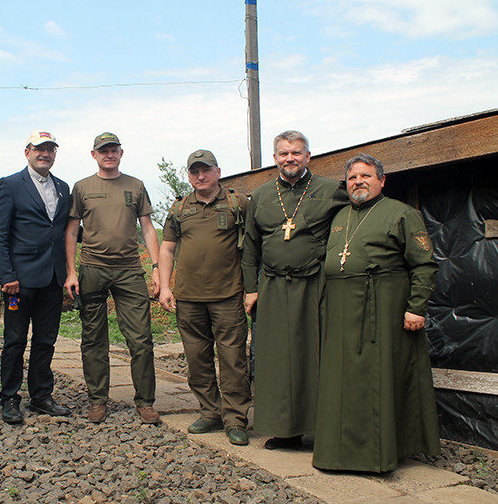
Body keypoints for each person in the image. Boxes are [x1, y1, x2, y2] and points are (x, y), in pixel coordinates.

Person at [313, 154, 440, 472]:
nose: (359, 181)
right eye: (353, 177)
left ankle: (378, 455)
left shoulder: (402, 214)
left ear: (382, 180)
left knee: (377, 381)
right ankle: (337, 452)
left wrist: (417, 307)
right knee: (340, 383)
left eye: (366, 176)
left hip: (383, 309)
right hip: (342, 310)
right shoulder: (340, 216)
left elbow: (423, 265)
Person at [242, 130, 348, 449]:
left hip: (315, 284)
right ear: (275, 158)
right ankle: (284, 430)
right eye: (284, 153)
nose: (290, 158)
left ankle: (323, 429)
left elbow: (354, 226)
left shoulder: (331, 191)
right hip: (272, 284)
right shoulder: (260, 196)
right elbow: (250, 247)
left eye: (297, 153)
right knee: (276, 359)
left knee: (313, 355)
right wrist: (251, 289)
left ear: (308, 157)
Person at [64, 132, 161, 424]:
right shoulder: (82, 188)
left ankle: (145, 401)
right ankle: (98, 401)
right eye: (103, 150)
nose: (109, 154)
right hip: (92, 269)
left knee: (141, 339)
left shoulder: (136, 186)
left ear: (121, 153)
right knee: (93, 339)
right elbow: (70, 231)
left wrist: (157, 268)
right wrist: (71, 271)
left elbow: (147, 229)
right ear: (94, 154)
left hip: (130, 270)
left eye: (113, 150)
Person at [158, 150, 251, 445]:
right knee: (197, 358)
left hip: (228, 295)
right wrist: (164, 286)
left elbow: (252, 248)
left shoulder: (238, 203)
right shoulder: (180, 208)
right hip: (188, 297)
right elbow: (167, 248)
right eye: (195, 171)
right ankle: (210, 412)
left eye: (206, 170)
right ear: (189, 176)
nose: (201, 176)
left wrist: (251, 289)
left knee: (233, 359)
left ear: (218, 171)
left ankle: (235, 418)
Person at [0, 131, 72, 424]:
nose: (45, 154)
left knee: (46, 340)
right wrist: (6, 274)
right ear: (27, 152)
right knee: (14, 340)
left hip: (52, 278)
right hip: (19, 280)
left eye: (50, 150)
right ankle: (10, 398)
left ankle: (41, 396)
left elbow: (64, 232)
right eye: (39, 149)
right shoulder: (10, 185)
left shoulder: (63, 187)